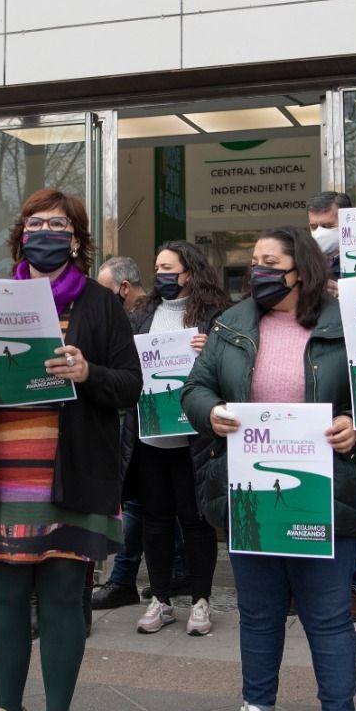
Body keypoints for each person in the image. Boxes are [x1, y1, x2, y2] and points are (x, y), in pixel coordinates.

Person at [0, 189, 139, 711]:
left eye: (58, 224)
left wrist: (87, 373)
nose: (45, 231)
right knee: (5, 599)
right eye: (35, 223)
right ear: (20, 234)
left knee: (60, 598)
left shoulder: (102, 304)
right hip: (7, 468)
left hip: (74, 469)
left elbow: (129, 386)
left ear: (77, 238)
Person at [182, 226, 356, 711]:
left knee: (327, 613)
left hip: (327, 488)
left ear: (301, 269)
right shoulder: (232, 324)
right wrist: (209, 413)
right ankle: (256, 708)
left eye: (272, 261)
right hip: (251, 485)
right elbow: (195, 388)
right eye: (255, 261)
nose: (259, 271)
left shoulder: (343, 324)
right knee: (259, 609)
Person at [123, 241, 228, 636]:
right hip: (151, 436)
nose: (161, 275)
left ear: (190, 272)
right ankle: (161, 599)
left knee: (196, 519)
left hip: (193, 438)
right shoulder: (143, 312)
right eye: (157, 267)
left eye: (169, 268)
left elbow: (231, 369)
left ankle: (201, 601)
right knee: (156, 519)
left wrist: (211, 349)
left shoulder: (215, 317)